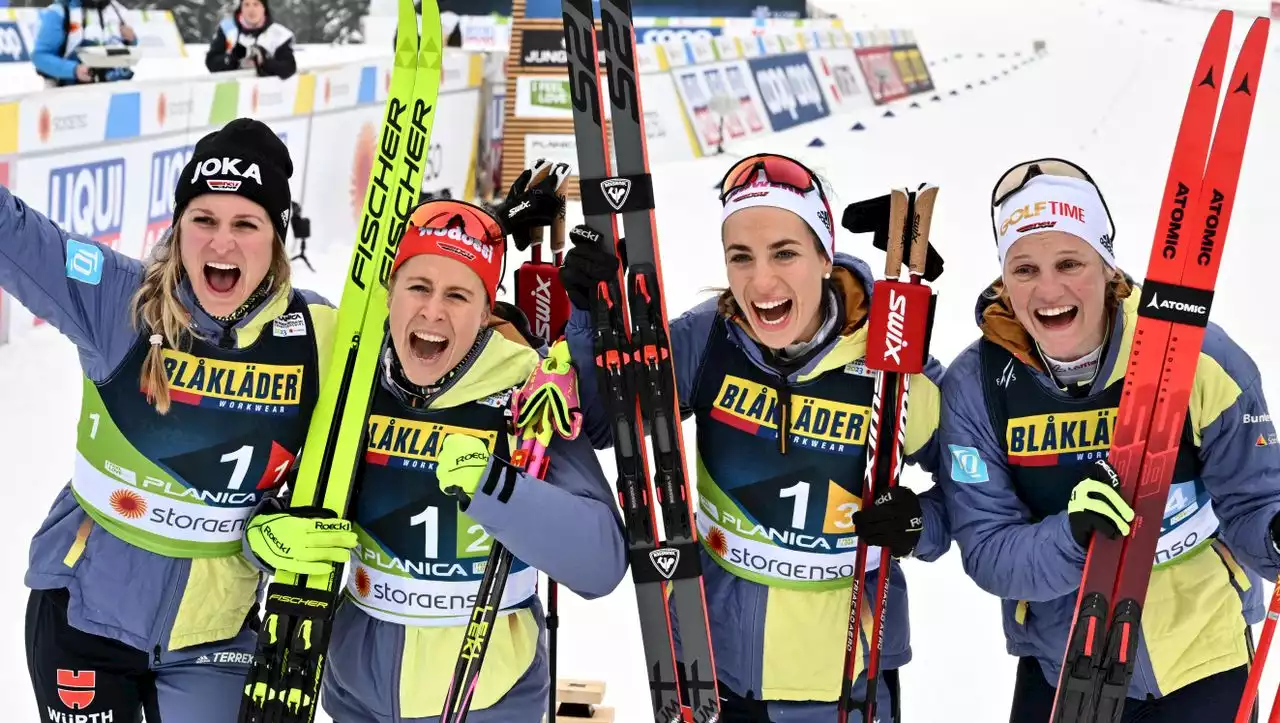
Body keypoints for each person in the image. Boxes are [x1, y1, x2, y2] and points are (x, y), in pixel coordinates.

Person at [559, 153, 952, 722]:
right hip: (712, 668)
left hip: (845, 679)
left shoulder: (889, 363)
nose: (761, 281)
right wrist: (590, 316)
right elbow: (606, 422)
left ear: (824, 254)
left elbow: (967, 485)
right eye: (740, 257)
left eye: (785, 253)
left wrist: (919, 523)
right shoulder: (708, 339)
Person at [244, 199, 629, 723]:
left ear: (486, 309)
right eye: (418, 288)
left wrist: (498, 488)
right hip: (355, 692)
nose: (433, 312)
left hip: (486, 698)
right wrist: (266, 535)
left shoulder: (525, 388)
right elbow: (283, 487)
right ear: (390, 294)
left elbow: (600, 563)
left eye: (458, 295)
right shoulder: (353, 377)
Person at [5, 118, 336, 723]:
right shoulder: (118, 299)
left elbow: (422, 372)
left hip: (215, 635)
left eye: (245, 224)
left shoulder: (321, 336)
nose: (220, 244)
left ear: (277, 237)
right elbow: (14, 235)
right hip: (83, 613)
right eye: (203, 220)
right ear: (178, 227)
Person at [938, 158, 1280, 722]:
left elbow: (1252, 504)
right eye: (1023, 269)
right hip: (1062, 664)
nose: (1048, 289)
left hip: (1206, 659)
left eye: (1069, 262)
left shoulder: (1197, 356)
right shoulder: (976, 387)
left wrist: (1275, 535)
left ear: (1105, 264)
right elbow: (988, 552)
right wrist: (1074, 539)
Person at [32, 0, 138, 86]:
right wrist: (74, 70)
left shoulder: (118, 11)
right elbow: (40, 57)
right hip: (69, 93)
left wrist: (132, 40)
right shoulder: (60, 11)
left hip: (113, 93)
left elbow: (126, 49)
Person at [205, 0, 297, 80]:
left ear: (263, 8)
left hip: (266, 94)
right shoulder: (228, 29)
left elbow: (289, 67)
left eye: (256, 4)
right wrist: (233, 58)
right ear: (241, 8)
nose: (251, 10)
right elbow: (211, 63)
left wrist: (263, 61)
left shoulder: (278, 34)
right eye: (247, 4)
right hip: (232, 93)